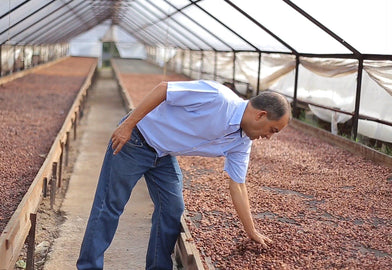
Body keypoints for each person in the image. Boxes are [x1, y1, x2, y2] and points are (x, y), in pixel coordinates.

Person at [76, 80, 291, 270]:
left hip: (163, 154)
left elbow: (238, 185)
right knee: (110, 205)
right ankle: (89, 266)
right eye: (273, 130)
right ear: (261, 115)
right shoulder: (218, 98)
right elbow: (163, 89)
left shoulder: (242, 142)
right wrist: (128, 125)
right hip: (136, 139)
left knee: (172, 208)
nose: (269, 137)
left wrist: (251, 230)